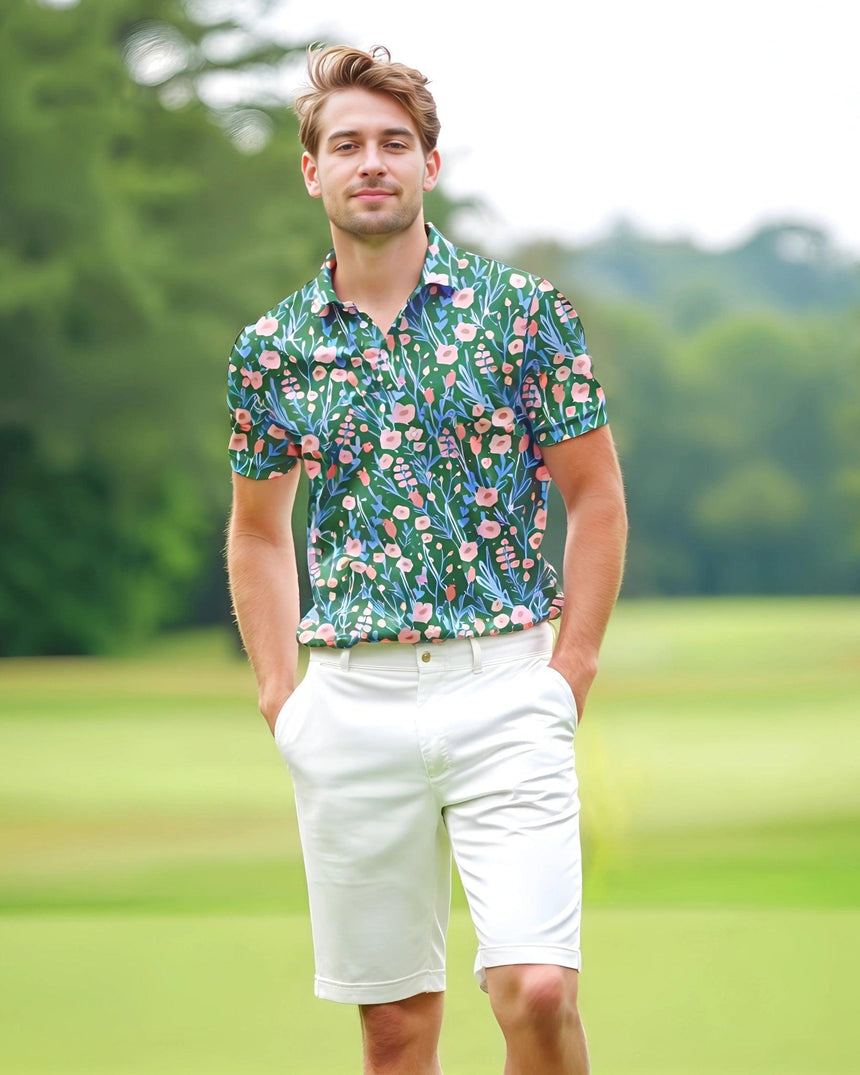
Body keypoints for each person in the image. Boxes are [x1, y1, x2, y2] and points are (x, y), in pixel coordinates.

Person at [225, 43, 627, 1075]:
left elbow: (594, 499)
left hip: (506, 687)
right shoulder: (271, 348)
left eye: (394, 144)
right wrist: (282, 695)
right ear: (310, 170)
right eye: (347, 144)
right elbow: (259, 530)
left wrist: (567, 672)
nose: (372, 162)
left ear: (428, 167)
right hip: (348, 704)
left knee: (535, 990)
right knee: (395, 1029)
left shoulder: (523, 316)